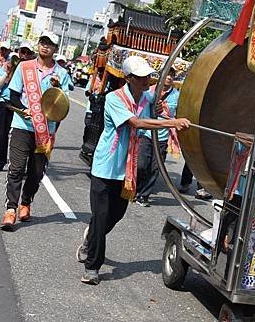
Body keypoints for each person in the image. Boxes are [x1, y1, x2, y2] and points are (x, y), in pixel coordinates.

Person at [76, 56, 190, 285]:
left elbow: (159, 106)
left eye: (148, 76)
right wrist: (171, 123)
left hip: (127, 170)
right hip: (106, 166)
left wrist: (161, 109)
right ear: (128, 79)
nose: (147, 81)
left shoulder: (148, 98)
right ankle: (92, 267)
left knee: (115, 215)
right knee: (100, 216)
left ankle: (90, 238)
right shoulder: (114, 98)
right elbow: (136, 123)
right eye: (141, 78)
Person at [0, 32, 72, 230]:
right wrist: (23, 110)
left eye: (50, 44)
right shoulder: (25, 67)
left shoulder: (62, 74)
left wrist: (59, 88)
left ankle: (26, 202)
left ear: (56, 49)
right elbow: (13, 94)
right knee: (16, 168)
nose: (45, 46)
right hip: (22, 126)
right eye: (43, 42)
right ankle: (11, 209)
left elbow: (63, 107)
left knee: (36, 172)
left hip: (45, 130)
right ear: (38, 44)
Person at [135, 68, 180, 206]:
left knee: (155, 167)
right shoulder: (148, 92)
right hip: (147, 133)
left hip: (162, 135)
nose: (169, 78)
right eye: (167, 75)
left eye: (172, 76)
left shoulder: (177, 95)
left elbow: (177, 114)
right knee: (142, 164)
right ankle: (135, 189)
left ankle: (143, 195)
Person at [0, 43, 36, 172]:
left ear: (32, 54)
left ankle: (21, 165)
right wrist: (8, 72)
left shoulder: (33, 68)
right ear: (19, 52)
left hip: (24, 107)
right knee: (0, 134)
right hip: (6, 102)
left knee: (24, 136)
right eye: (23, 52)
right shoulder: (9, 64)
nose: (25, 55)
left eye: (28, 53)